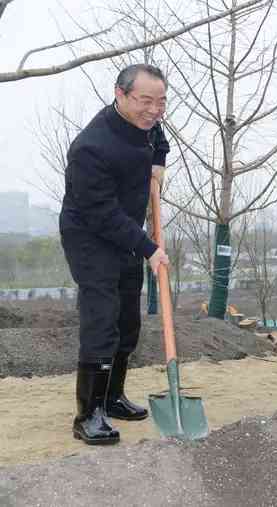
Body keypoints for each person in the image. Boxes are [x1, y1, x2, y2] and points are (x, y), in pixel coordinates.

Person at [60, 64, 170, 445]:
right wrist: (149, 248)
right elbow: (101, 214)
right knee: (102, 321)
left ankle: (113, 397)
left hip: (127, 233)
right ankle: (88, 415)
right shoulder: (91, 147)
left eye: (161, 102)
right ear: (120, 94)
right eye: (145, 101)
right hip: (91, 236)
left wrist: (158, 165)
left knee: (127, 321)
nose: (154, 110)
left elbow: (160, 139)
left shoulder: (147, 124)